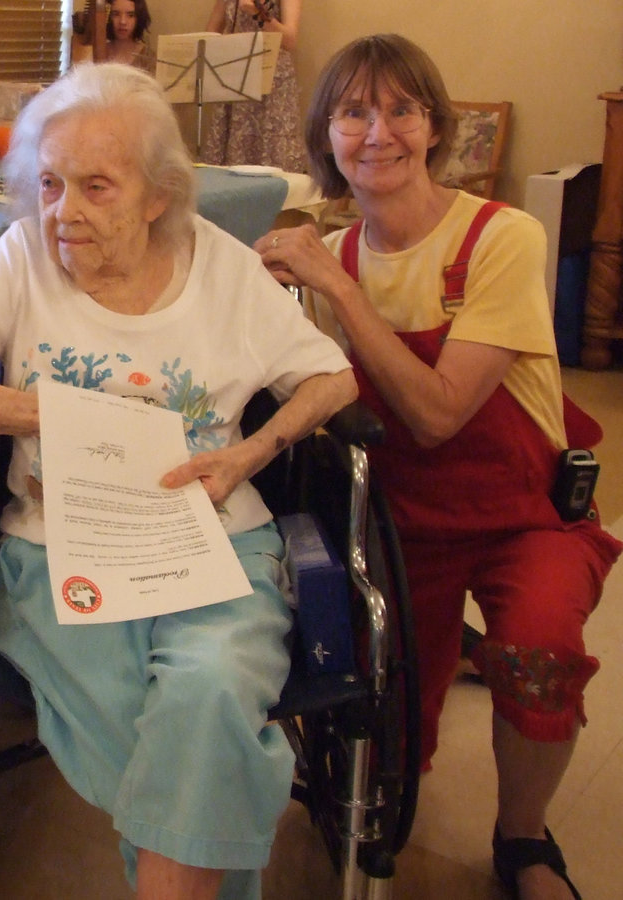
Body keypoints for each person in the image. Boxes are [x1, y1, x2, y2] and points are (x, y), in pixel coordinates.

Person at [0, 62, 356, 900]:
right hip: (58, 544)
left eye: (96, 186)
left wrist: (251, 455)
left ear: (156, 195)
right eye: (48, 183)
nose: (64, 211)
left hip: (214, 539)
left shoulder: (221, 267)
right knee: (181, 738)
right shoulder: (25, 255)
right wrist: (49, 416)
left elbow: (332, 380)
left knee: (211, 688)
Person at [257, 33, 622, 900]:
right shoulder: (331, 257)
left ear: (432, 127)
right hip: (398, 526)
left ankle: (523, 841)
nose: (377, 132)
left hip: (523, 515)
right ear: (327, 137)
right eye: (353, 112)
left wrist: (334, 289)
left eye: (401, 110)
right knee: (384, 744)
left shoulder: (502, 238)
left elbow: (436, 412)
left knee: (536, 651)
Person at [202, 0, 306, 172]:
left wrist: (257, 13)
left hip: (272, 85)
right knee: (233, 163)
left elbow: (290, 40)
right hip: (236, 80)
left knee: (273, 157)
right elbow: (210, 33)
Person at [103, 0, 155, 73]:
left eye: (130, 15)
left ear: (139, 18)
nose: (122, 22)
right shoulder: (97, 51)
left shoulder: (147, 57)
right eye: (116, 14)